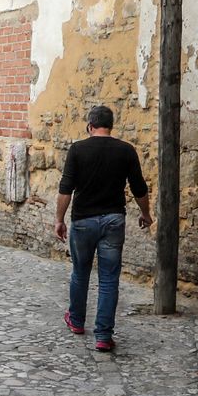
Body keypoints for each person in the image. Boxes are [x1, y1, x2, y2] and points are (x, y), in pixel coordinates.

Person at [54, 104, 152, 353]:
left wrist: (59, 219)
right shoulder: (126, 150)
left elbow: (66, 188)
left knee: (80, 273)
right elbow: (139, 187)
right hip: (113, 220)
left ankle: (76, 321)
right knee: (109, 279)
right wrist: (145, 213)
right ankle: (103, 336)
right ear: (111, 126)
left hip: (83, 221)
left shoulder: (77, 150)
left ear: (90, 126)